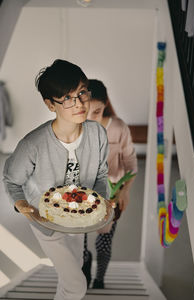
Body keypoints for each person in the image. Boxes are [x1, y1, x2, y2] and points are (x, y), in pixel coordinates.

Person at [3, 60, 110, 300]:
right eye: (68, 98)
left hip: (79, 220)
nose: (80, 104)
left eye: (82, 92)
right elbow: (11, 180)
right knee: (76, 286)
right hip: (46, 222)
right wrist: (23, 206)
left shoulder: (97, 134)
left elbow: (101, 175)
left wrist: (102, 201)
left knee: (68, 276)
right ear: (50, 104)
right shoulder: (32, 145)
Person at [82, 79, 138, 289]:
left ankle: (99, 280)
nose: (90, 119)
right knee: (80, 244)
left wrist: (125, 192)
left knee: (104, 244)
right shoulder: (75, 129)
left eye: (96, 111)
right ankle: (84, 270)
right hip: (83, 197)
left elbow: (131, 165)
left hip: (112, 196)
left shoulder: (118, 128)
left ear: (105, 105)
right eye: (85, 112)